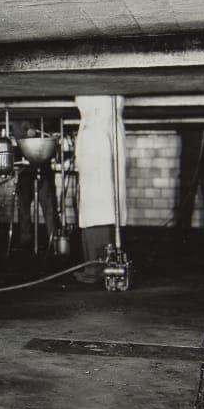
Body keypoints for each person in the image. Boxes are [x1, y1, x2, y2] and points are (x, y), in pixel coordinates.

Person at [72, 95, 127, 284]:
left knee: (98, 204)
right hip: (103, 128)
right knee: (104, 203)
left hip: (97, 131)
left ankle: (98, 268)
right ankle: (98, 267)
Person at [14, 121, 58, 250]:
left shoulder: (44, 118)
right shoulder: (20, 118)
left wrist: (49, 133)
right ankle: (26, 242)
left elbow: (52, 131)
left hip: (43, 170)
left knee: (49, 207)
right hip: (25, 170)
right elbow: (17, 131)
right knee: (24, 209)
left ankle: (53, 242)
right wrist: (27, 133)